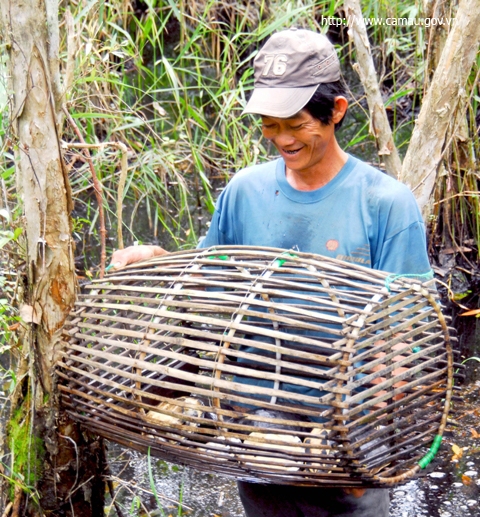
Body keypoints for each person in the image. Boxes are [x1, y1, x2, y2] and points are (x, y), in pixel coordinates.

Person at [110, 27, 432, 517]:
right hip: (256, 434)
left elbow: (403, 338)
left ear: (338, 111)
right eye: (269, 124)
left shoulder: (385, 204)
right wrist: (158, 260)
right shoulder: (244, 191)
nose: (282, 139)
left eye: (296, 124)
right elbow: (208, 274)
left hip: (345, 446)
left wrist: (367, 442)